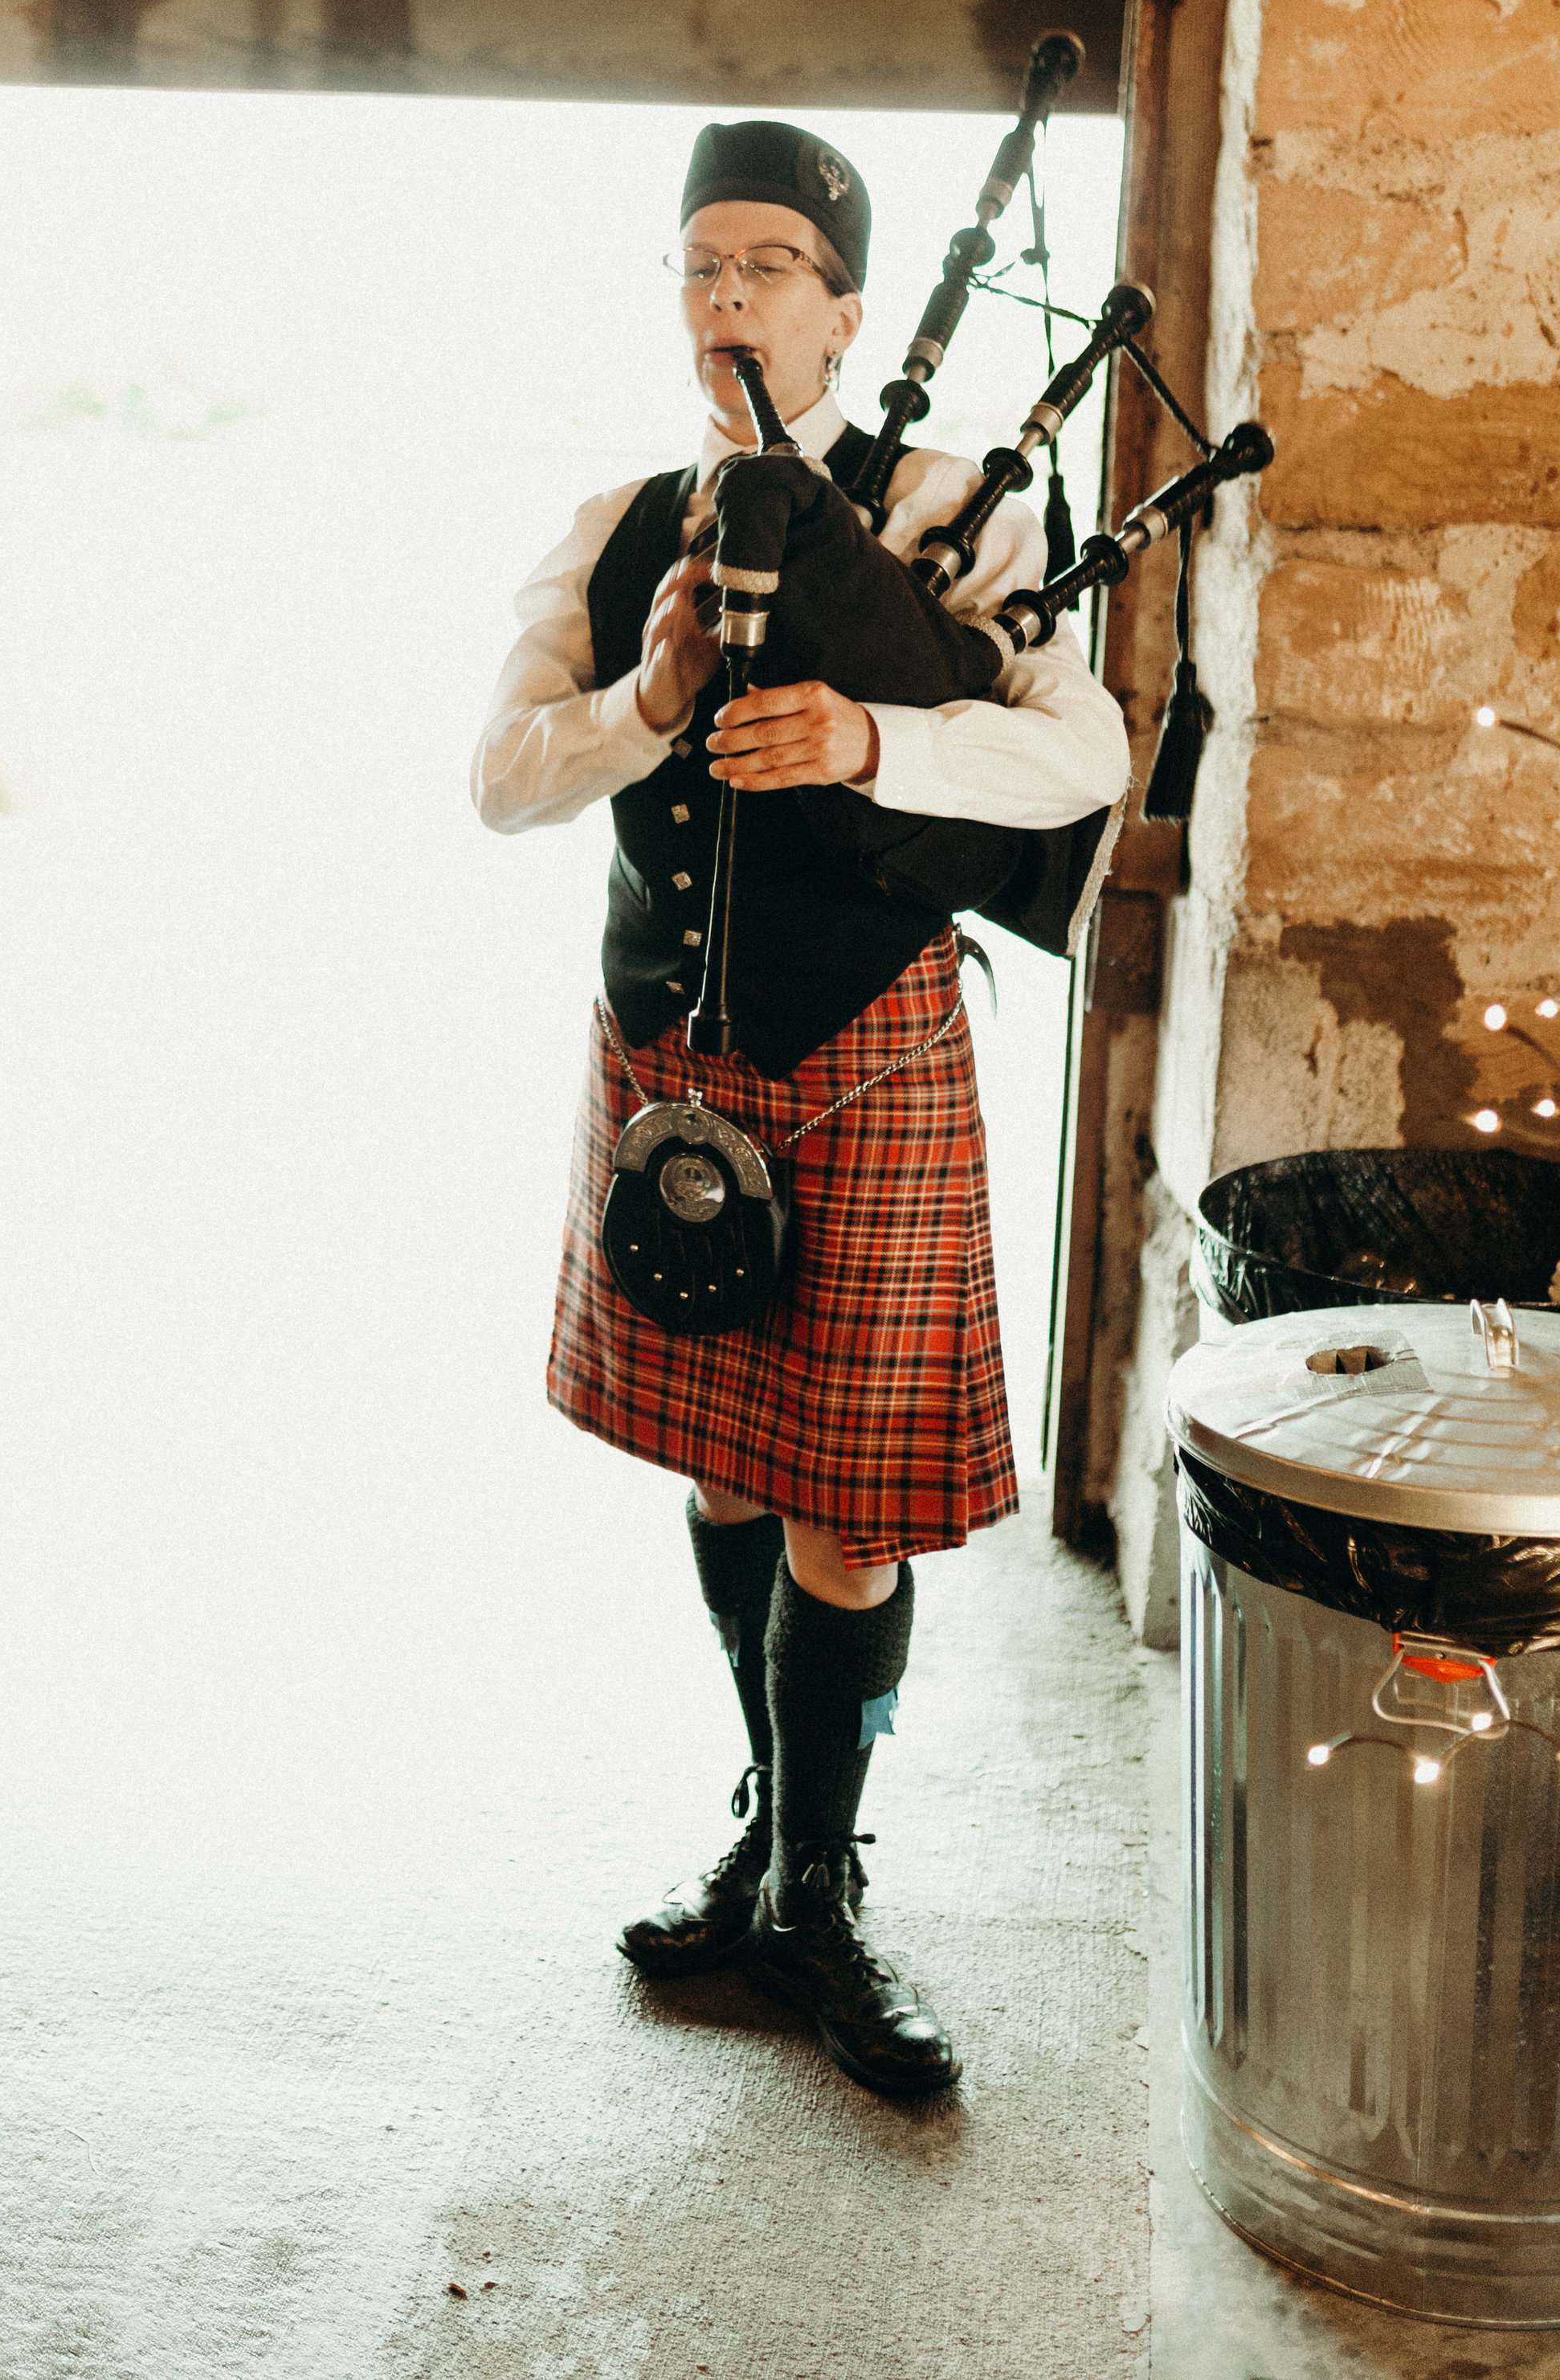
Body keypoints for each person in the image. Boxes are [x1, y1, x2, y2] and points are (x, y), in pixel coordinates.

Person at [472, 119, 1129, 2100]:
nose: (729, 295)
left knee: (849, 1508)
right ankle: (767, 1825)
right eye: (699, 265)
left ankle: (823, 1897)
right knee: (728, 1466)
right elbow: (503, 781)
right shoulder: (610, 524)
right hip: (666, 1057)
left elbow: (1076, 752)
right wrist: (642, 708)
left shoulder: (951, 512)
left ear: (846, 298)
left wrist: (870, 733)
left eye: (769, 261)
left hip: (865, 1051)